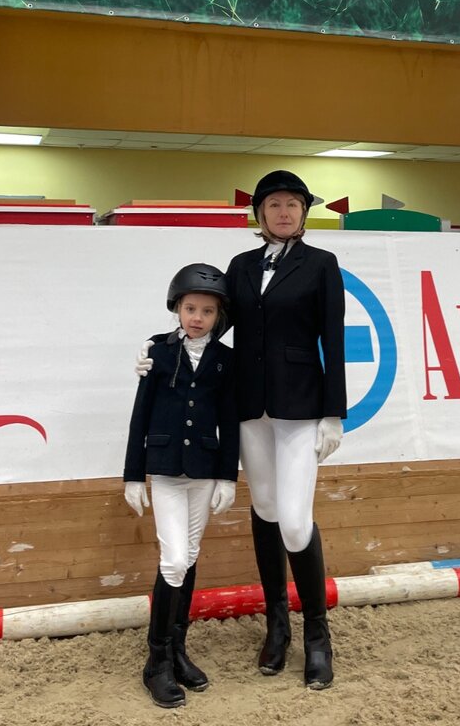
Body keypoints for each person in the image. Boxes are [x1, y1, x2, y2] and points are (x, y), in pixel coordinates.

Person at [135, 170, 346, 691]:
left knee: (296, 523)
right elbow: (209, 322)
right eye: (273, 204)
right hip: (249, 407)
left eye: (292, 205)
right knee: (266, 510)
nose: (283, 212)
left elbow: (333, 340)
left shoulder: (322, 265)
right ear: (259, 214)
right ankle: (278, 626)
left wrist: (333, 412)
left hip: (299, 408)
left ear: (302, 213)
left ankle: (317, 635)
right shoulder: (240, 266)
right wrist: (162, 349)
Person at [123, 262, 239, 710]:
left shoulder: (226, 360)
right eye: (190, 308)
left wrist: (229, 474)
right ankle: (155, 663)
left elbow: (228, 421)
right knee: (172, 559)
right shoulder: (158, 351)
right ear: (177, 307)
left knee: (189, 558)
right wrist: (133, 474)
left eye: (207, 311)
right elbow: (140, 416)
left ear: (217, 316)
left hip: (205, 470)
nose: (197, 317)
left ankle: (176, 649)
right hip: (167, 470)